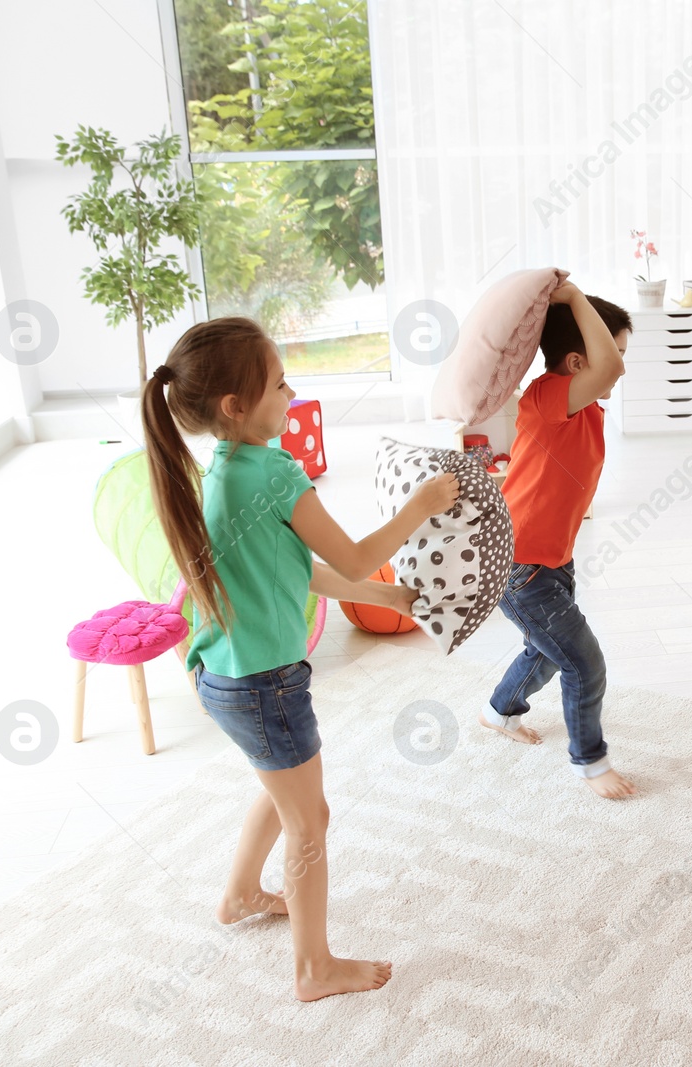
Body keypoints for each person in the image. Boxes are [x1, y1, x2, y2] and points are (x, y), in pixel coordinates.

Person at [143, 316, 459, 999]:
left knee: (280, 787)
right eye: (281, 384)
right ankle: (313, 967)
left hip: (226, 674)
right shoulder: (274, 473)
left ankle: (239, 895)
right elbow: (349, 554)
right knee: (309, 819)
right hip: (264, 683)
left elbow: (298, 570)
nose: (292, 394)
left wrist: (393, 598)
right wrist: (422, 504)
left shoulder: (225, 472)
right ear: (235, 405)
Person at [480, 283, 638, 799]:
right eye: (616, 350)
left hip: (550, 561)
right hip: (520, 566)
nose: (620, 365)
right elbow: (607, 368)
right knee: (584, 663)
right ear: (577, 361)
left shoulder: (581, 405)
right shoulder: (550, 396)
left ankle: (499, 711)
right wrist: (572, 299)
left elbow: (606, 368)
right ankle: (590, 763)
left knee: (547, 651)